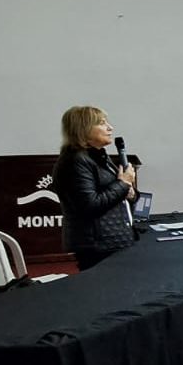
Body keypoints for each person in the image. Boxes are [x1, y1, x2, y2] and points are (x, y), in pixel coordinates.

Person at [53, 106, 138, 271]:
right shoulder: (75, 161)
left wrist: (131, 193)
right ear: (83, 129)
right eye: (102, 123)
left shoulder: (98, 156)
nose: (110, 127)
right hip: (96, 245)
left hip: (113, 241)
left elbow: (116, 192)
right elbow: (90, 205)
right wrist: (123, 184)